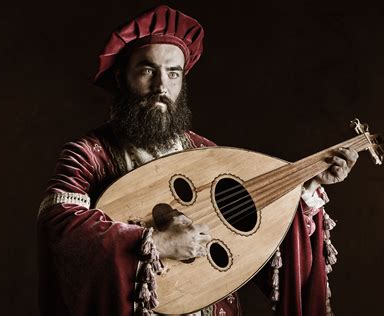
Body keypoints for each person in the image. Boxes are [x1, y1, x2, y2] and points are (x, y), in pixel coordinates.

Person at [37, 5, 358, 316]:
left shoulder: (205, 153)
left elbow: (253, 249)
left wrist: (306, 188)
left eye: (173, 73)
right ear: (121, 78)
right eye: (147, 70)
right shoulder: (89, 154)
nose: (161, 86)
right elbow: (61, 228)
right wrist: (155, 243)